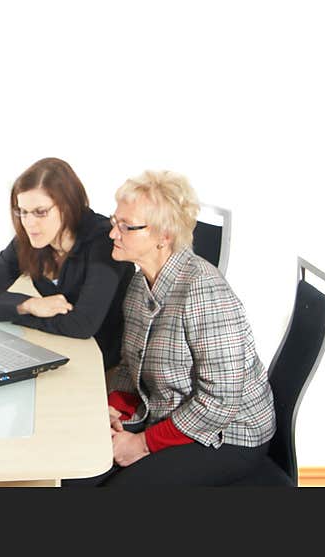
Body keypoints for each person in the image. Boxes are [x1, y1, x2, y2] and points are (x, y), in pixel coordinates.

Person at [70, 170, 275, 486]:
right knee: (74, 475)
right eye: (115, 222)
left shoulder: (204, 293)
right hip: (166, 415)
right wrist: (115, 408)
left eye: (126, 226)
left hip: (229, 435)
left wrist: (142, 444)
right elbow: (130, 365)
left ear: (163, 236)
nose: (113, 234)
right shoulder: (140, 284)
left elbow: (220, 402)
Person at [0, 157, 133, 369]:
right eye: (22, 211)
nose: (29, 222)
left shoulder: (103, 240)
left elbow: (82, 325)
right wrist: (30, 305)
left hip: (103, 363)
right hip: (59, 347)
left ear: (68, 205)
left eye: (40, 212)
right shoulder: (31, 238)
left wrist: (14, 313)